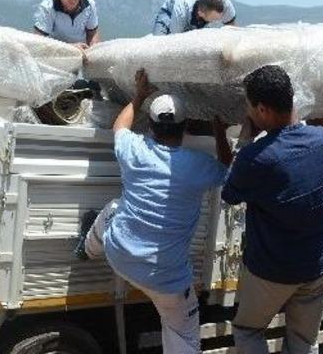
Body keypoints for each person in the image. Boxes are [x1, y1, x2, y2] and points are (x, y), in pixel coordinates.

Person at [76, 69, 232, 353]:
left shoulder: (135, 149)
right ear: (185, 129)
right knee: (183, 337)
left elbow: (119, 126)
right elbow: (228, 169)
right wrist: (219, 130)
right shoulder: (198, 165)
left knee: (113, 209)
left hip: (120, 257)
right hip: (166, 281)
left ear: (149, 124)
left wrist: (138, 96)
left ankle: (87, 249)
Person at [221, 65, 323, 354]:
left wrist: (245, 142)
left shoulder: (257, 157)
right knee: (303, 341)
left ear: (263, 109)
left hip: (271, 271)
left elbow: (230, 193)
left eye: (250, 107)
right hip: (317, 267)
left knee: (248, 330)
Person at [33, 0, 100, 48]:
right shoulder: (47, 7)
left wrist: (93, 49)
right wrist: (70, 47)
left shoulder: (89, 3)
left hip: (83, 50)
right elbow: (38, 42)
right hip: (56, 52)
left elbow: (92, 33)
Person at [152, 0, 236, 35]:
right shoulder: (181, 10)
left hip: (194, 12)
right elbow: (174, 40)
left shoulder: (225, 4)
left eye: (219, 18)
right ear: (200, 13)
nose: (217, 21)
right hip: (170, 11)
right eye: (214, 19)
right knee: (158, 44)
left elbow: (232, 28)